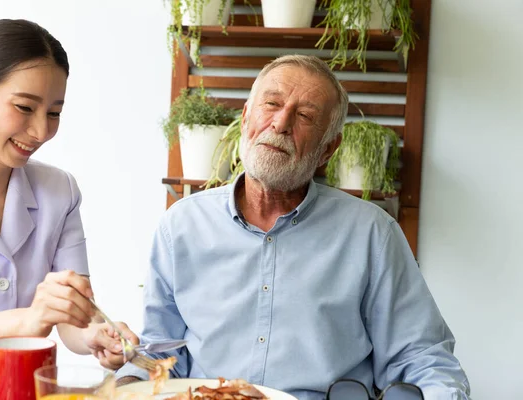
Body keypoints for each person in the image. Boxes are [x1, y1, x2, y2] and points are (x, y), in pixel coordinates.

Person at [115, 55, 471, 399]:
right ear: (245, 119)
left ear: (328, 149)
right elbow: (158, 352)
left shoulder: (372, 234)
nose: (280, 123)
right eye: (271, 104)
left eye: (304, 116)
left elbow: (422, 358)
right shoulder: (182, 225)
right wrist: (128, 382)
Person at [0, 19, 135, 397]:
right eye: (24, 107)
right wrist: (26, 321)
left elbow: (70, 317)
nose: (40, 131)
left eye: (53, 113)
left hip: (30, 391)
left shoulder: (60, 190)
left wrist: (96, 333)